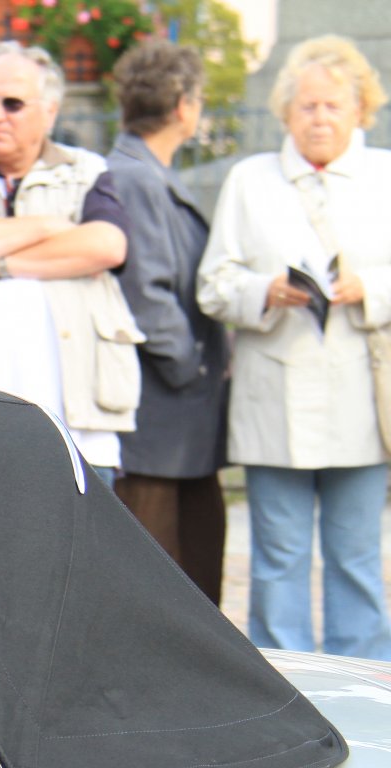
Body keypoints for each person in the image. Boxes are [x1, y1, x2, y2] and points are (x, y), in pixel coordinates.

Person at [197, 35, 391, 658]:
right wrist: (265, 290)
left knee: (356, 555)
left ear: (361, 110)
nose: (320, 118)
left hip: (361, 396)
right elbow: (213, 284)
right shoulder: (250, 180)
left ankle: (364, 679)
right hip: (274, 396)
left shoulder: (385, 177)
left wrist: (370, 289)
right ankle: (287, 681)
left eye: (334, 106)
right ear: (285, 112)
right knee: (276, 559)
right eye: (307, 106)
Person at [0, 41, 139, 484]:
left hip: (81, 431)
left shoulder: (87, 172)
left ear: (49, 111)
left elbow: (107, 246)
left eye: (12, 103)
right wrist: (51, 227)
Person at [107, 41, 229, 604]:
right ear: (183, 105)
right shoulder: (137, 178)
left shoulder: (145, 174)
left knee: (191, 578)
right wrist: (194, 368)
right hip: (159, 418)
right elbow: (147, 294)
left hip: (174, 425)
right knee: (160, 590)